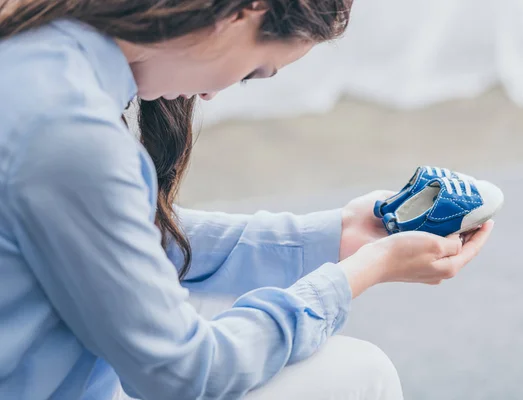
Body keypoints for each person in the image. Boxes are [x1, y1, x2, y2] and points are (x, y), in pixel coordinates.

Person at [0, 1, 494, 399]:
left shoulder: (35, 49)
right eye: (254, 71)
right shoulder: (71, 137)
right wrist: (358, 275)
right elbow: (186, 374)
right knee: (363, 374)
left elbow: (116, 237)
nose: (215, 95)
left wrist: (332, 235)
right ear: (245, 11)